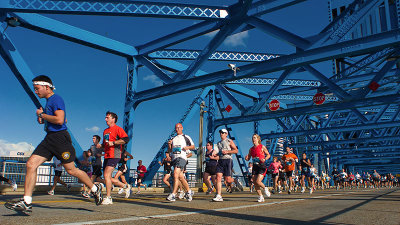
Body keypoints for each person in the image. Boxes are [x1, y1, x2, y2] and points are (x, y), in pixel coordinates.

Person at [5, 75, 103, 213]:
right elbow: (55, 119)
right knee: (31, 164)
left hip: (60, 139)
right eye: (34, 89)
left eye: (37, 88)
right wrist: (42, 117)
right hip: (49, 138)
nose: (35, 91)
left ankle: (94, 188)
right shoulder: (48, 102)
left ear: (46, 87)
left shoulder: (56, 99)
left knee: (71, 170)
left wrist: (42, 115)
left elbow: (60, 120)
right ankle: (27, 201)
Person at [96, 111, 131, 204]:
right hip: (107, 154)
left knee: (107, 175)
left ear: (113, 119)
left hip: (115, 154)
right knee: (108, 177)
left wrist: (114, 142)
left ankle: (108, 197)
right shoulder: (105, 131)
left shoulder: (117, 129)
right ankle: (125, 186)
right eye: (105, 117)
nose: (105, 119)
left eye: (107, 117)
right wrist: (101, 146)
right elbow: (106, 144)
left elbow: (126, 139)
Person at [166, 123, 195, 202]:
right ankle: (189, 191)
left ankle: (173, 194)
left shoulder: (186, 137)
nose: (177, 129)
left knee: (175, 174)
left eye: (178, 127)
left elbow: (193, 146)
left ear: (182, 128)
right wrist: (169, 145)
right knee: (181, 177)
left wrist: (187, 147)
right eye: (176, 128)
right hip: (174, 159)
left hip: (182, 158)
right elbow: (170, 151)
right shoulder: (173, 138)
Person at [213, 128, 238, 202]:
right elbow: (219, 153)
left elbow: (236, 150)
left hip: (228, 160)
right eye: (220, 133)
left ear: (226, 134)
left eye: (223, 133)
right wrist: (215, 154)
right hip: (220, 161)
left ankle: (235, 180)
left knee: (228, 180)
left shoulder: (229, 141)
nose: (221, 134)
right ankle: (219, 195)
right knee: (218, 177)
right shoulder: (218, 143)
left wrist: (227, 151)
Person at [245, 134, 271, 202]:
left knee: (258, 181)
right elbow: (248, 158)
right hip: (255, 166)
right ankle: (261, 196)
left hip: (261, 166)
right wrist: (246, 158)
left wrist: (265, 159)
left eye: (254, 138)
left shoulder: (262, 146)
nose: (253, 139)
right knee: (254, 182)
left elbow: (268, 155)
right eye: (252, 138)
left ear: (258, 139)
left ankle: (265, 188)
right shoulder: (251, 149)